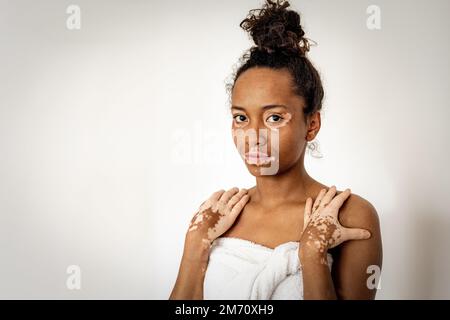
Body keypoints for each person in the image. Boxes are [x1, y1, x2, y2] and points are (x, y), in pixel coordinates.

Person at [170, 0, 382, 300]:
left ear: (312, 124)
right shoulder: (216, 217)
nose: (253, 136)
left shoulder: (350, 215)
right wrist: (195, 245)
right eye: (241, 118)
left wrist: (312, 254)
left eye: (274, 118)